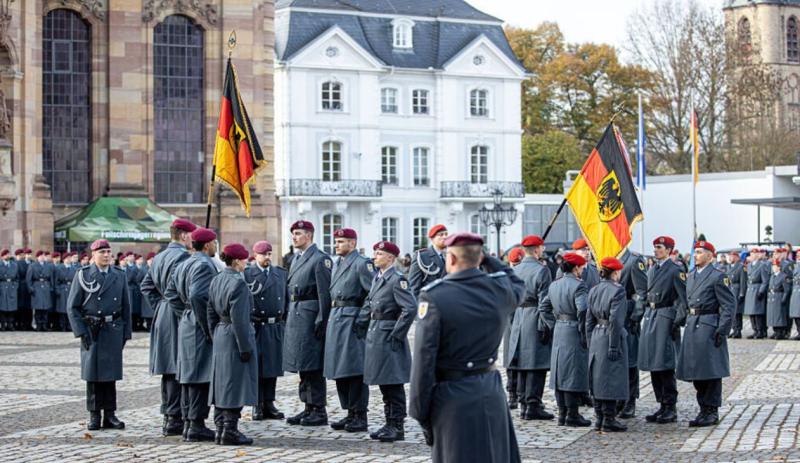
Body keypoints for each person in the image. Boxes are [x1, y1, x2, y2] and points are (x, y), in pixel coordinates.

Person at [410, 232, 524, 463]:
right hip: (491, 390)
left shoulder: (434, 297)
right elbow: (516, 282)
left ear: (451, 258)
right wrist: (488, 260)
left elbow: (423, 362)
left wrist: (420, 413)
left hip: (453, 397)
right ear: (479, 257)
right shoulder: (498, 291)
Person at [67, 239, 132, 431]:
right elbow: (72, 307)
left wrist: (126, 333)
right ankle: (94, 414)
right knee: (93, 375)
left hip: (113, 328)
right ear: (93, 255)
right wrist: (81, 331)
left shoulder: (119, 275)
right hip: (92, 330)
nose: (106, 255)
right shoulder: (83, 275)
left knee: (111, 374)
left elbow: (126, 306)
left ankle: (110, 414)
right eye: (102, 252)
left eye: (108, 252)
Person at [140, 218, 196, 436]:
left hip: (164, 313)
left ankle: (170, 416)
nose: (193, 239)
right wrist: (179, 310)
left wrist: (160, 306)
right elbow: (180, 289)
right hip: (177, 314)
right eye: (191, 235)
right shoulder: (183, 257)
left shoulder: (160, 257)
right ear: (183, 235)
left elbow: (147, 286)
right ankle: (176, 417)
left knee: (169, 366)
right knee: (178, 366)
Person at [165, 227, 218, 442]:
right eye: (214, 242)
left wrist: (184, 312)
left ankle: (188, 422)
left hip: (187, 321)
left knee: (188, 374)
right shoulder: (204, 264)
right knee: (200, 374)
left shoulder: (184, 263)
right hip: (197, 323)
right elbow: (197, 295)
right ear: (207, 245)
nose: (216, 246)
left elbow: (170, 294)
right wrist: (207, 325)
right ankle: (196, 424)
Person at [361, 240, 416, 442]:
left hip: (388, 335)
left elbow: (410, 308)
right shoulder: (379, 277)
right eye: (375, 253)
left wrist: (397, 334)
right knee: (384, 382)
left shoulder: (397, 279)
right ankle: (388, 422)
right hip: (376, 334)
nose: (375, 257)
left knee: (393, 383)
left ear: (390, 258)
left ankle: (397, 425)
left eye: (379, 254)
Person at [676, 241, 734, 427]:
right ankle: (703, 409)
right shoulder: (691, 275)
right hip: (693, 324)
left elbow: (728, 305)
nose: (696, 255)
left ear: (710, 255)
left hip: (709, 326)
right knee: (697, 370)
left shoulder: (718, 276)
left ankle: (711, 410)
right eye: (695, 252)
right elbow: (685, 302)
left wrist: (722, 329)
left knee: (711, 371)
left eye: (700, 252)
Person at [208, 243, 258, 446]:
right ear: (237, 261)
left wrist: (214, 333)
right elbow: (240, 319)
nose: (246, 263)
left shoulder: (217, 279)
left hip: (221, 332)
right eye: (244, 259)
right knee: (234, 383)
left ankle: (221, 428)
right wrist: (245, 347)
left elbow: (210, 311)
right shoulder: (238, 283)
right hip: (234, 335)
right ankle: (229, 429)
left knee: (222, 382)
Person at [283, 220, 333, 426]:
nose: (294, 237)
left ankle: (318, 409)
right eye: (293, 233)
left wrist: (322, 320)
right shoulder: (296, 258)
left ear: (309, 235)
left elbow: (324, 294)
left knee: (313, 365)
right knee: (302, 364)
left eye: (298, 233)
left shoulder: (320, 259)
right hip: (297, 315)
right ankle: (308, 406)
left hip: (310, 316)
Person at [324, 228, 374, 432]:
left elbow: (373, 294)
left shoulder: (362, 264)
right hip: (336, 318)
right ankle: (349, 412)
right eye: (336, 241)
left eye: (341, 241)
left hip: (352, 319)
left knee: (355, 369)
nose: (336, 245)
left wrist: (362, 318)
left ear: (352, 243)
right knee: (339, 368)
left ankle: (359, 414)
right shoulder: (337, 263)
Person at [639, 236, 687, 424]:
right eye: (655, 247)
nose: (656, 250)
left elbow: (683, 298)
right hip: (651, 315)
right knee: (653, 363)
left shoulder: (675, 270)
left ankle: (670, 406)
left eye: (659, 247)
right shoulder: (652, 269)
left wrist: (676, 320)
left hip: (665, 316)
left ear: (668, 250)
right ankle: (661, 404)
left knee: (665, 364)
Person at [541, 252, 591, 427]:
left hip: (559, 329)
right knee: (573, 372)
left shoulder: (555, 285)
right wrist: (583, 331)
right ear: (576, 268)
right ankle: (572, 414)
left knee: (560, 371)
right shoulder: (579, 285)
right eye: (582, 268)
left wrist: (553, 324)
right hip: (573, 330)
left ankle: (562, 414)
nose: (582, 271)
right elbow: (582, 309)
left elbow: (543, 307)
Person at [509, 235, 555, 420]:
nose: (543, 250)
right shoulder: (542, 271)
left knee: (521, 363)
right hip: (535, 316)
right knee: (536, 363)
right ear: (536, 250)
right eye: (542, 248)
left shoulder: (515, 270)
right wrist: (548, 325)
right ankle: (533, 405)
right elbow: (545, 302)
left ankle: (524, 405)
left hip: (518, 316)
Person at [244, 241, 287, 421]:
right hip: (257, 326)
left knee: (272, 367)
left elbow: (286, 300)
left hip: (274, 326)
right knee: (258, 367)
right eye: (264, 254)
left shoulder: (280, 273)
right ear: (255, 255)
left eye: (269, 254)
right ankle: (257, 403)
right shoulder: (247, 274)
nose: (267, 257)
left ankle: (269, 402)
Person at [586, 257, 629, 432]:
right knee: (611, 377)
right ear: (616, 272)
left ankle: (599, 417)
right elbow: (616, 320)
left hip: (597, 335)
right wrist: (613, 345)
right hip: (610, 335)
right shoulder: (618, 290)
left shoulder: (594, 289)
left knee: (597, 377)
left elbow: (588, 319)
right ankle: (609, 418)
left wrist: (590, 340)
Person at [617, 249, 648, 419]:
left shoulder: (633, 261)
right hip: (611, 317)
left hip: (627, 316)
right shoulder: (605, 256)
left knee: (630, 361)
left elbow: (642, 292)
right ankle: (617, 399)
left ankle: (630, 401)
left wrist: (636, 317)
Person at [408, 224, 448, 297]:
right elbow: (413, 287)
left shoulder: (450, 256)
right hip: (429, 300)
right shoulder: (422, 256)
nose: (445, 237)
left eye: (446, 234)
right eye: (441, 235)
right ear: (432, 239)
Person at [744, 248, 769, 339]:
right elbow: (747, 278)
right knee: (751, 312)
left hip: (757, 289)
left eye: (755, 253)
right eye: (752, 253)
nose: (753, 255)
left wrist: (761, 291)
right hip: (750, 289)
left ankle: (760, 331)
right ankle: (755, 330)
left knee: (757, 312)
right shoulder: (749, 265)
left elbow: (765, 281)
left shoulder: (762, 265)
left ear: (758, 255)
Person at [27, 250, 54, 331]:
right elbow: (29, 279)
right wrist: (31, 288)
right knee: (38, 308)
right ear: (37, 257)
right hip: (37, 286)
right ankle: (38, 325)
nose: (42, 257)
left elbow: (51, 278)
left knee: (45, 308)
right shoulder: (32, 266)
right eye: (40, 256)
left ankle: (44, 325)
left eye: (43, 256)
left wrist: (51, 287)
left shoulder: (48, 265)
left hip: (46, 286)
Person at [766, 258, 792, 340]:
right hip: (772, 298)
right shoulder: (772, 276)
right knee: (773, 316)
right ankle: (775, 331)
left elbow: (787, 290)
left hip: (779, 297)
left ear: (779, 267)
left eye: (775, 266)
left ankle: (780, 332)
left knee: (779, 316)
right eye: (773, 266)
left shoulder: (783, 276)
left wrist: (783, 299)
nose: (773, 268)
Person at [54, 252, 77, 332]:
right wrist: (57, 290)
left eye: (70, 258)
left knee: (70, 309)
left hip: (70, 289)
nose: (69, 260)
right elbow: (56, 281)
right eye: (67, 258)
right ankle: (62, 325)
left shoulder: (74, 268)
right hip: (62, 289)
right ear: (64, 259)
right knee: (62, 309)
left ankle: (69, 326)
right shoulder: (59, 268)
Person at [727, 251, 747, 339]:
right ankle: (734, 329)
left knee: (737, 313)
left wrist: (742, 293)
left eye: (731, 256)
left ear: (736, 257)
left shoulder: (741, 267)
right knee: (732, 312)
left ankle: (738, 330)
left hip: (737, 291)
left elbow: (743, 281)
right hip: (730, 291)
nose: (729, 258)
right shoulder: (729, 267)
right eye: (729, 256)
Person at [0, 249, 18, 331]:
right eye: (5, 255)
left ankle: (10, 324)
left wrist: (15, 286)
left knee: (11, 307)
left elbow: (17, 278)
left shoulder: (14, 265)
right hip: (2, 287)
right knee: (3, 308)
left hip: (12, 287)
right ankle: (3, 325)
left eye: (8, 254)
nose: (7, 256)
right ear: (2, 256)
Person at [138, 252, 155, 332]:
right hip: (146, 294)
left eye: (153, 259)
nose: (151, 261)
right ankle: (149, 326)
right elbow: (138, 280)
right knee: (148, 311)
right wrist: (143, 288)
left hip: (154, 293)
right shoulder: (143, 269)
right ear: (147, 260)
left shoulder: (156, 268)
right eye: (150, 259)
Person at [15, 248, 30, 330]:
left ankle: (27, 324)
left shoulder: (29, 263)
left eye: (22, 254)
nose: (22, 256)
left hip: (27, 286)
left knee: (28, 306)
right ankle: (19, 323)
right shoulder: (16, 263)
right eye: (20, 255)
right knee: (20, 306)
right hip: (20, 286)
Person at [790, 250, 800, 340]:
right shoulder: (796, 265)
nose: (798, 257)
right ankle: (799, 331)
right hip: (795, 291)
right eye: (797, 255)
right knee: (796, 314)